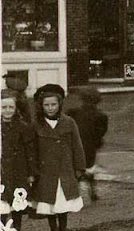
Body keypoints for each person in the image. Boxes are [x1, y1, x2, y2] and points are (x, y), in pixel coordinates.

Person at [31, 84, 85, 231]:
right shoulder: (36, 125)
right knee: (49, 203)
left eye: (53, 104)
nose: (50, 108)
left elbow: (77, 146)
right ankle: (53, 228)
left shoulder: (69, 122)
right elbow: (32, 150)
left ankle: (63, 228)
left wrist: (79, 168)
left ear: (59, 104)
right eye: (46, 105)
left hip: (65, 170)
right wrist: (33, 171)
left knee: (63, 203)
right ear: (41, 106)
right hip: (46, 172)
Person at [1, 90, 38, 230]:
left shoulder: (23, 127)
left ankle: (17, 228)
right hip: (2, 172)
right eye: (4, 107)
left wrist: (31, 173)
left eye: (11, 107)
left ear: (16, 109)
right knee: (2, 206)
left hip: (18, 172)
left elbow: (30, 151)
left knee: (17, 206)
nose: (7, 110)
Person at [65, 87, 107, 202]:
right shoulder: (101, 116)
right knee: (89, 168)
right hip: (90, 146)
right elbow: (101, 132)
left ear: (82, 99)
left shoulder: (73, 112)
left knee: (76, 169)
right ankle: (92, 190)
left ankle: (74, 195)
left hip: (75, 144)